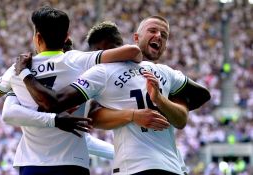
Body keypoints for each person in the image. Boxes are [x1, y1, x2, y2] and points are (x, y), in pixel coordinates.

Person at [15, 15, 211, 175]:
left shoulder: (100, 72)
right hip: (173, 166)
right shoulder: (161, 71)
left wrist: (24, 73)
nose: (158, 36)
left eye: (163, 34)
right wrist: (165, 102)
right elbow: (202, 95)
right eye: (153, 31)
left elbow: (60, 104)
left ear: (96, 54)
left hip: (133, 167)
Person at [0, 5, 165, 175]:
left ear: (37, 38)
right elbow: (133, 51)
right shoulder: (81, 68)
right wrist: (54, 120)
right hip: (70, 163)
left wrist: (22, 74)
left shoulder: (21, 68)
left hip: (34, 163)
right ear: (67, 38)